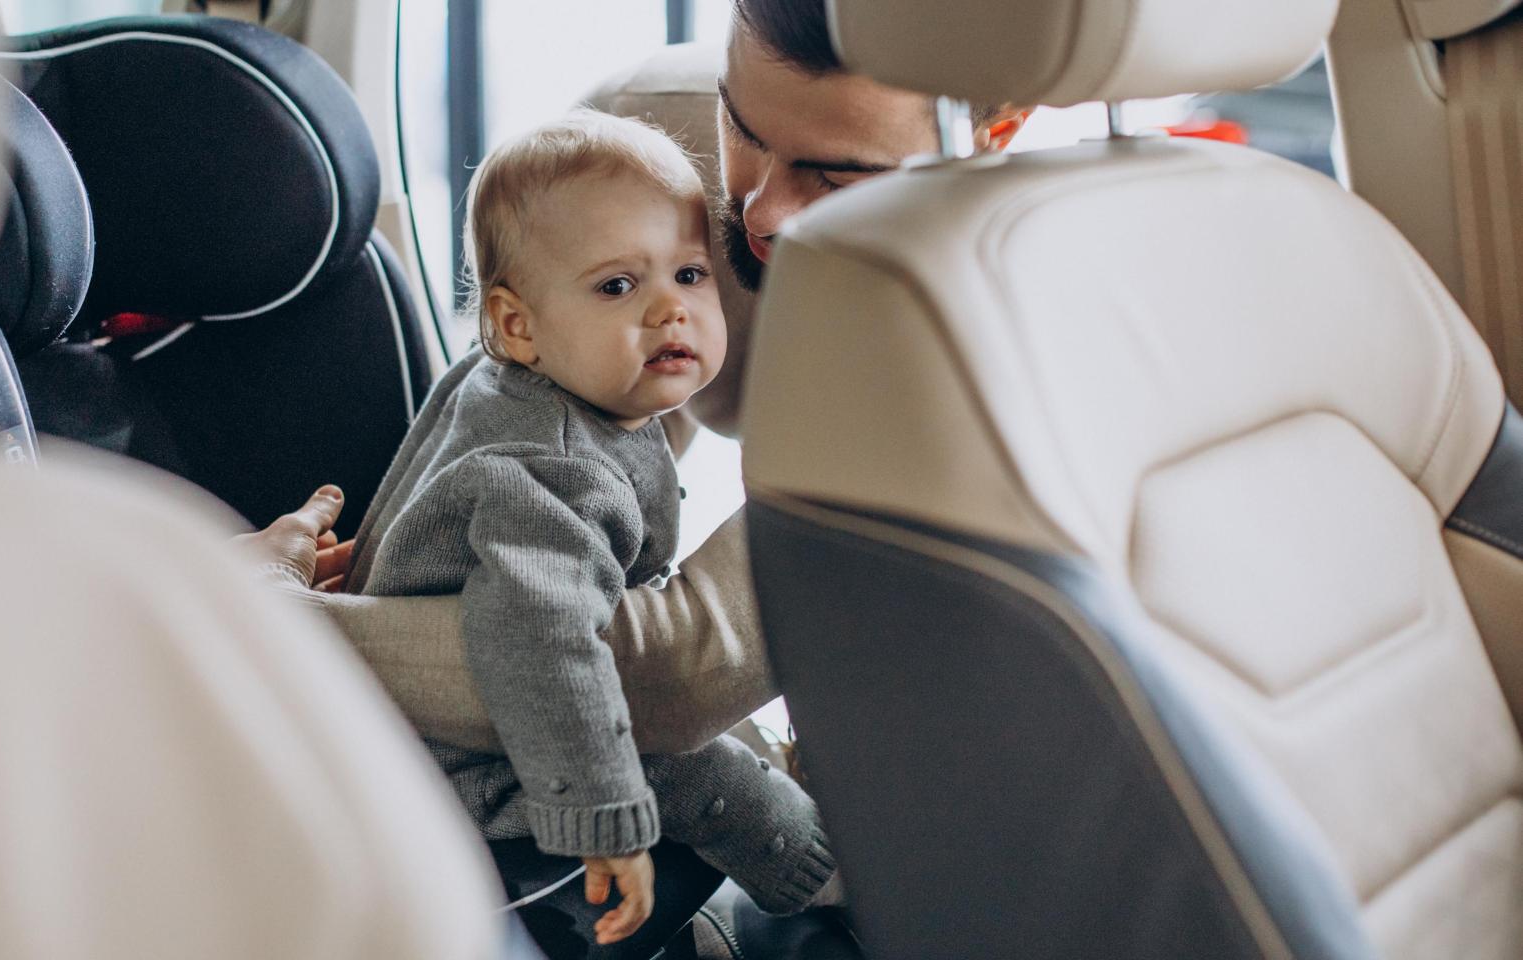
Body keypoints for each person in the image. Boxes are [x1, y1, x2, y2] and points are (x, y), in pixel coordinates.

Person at [243, 0, 1032, 759]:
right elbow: (550, 455)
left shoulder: (991, 333)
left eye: (834, 175)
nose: (760, 211)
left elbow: (670, 675)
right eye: (743, 127)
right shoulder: (641, 147)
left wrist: (257, 621)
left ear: (990, 138)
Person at [345, 111, 839, 949]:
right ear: (518, 326)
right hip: (471, 768)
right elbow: (541, 641)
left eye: (689, 273)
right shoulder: (552, 469)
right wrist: (603, 819)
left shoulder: (505, 380)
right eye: (617, 287)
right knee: (706, 773)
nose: (670, 310)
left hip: (459, 727)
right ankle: (820, 878)